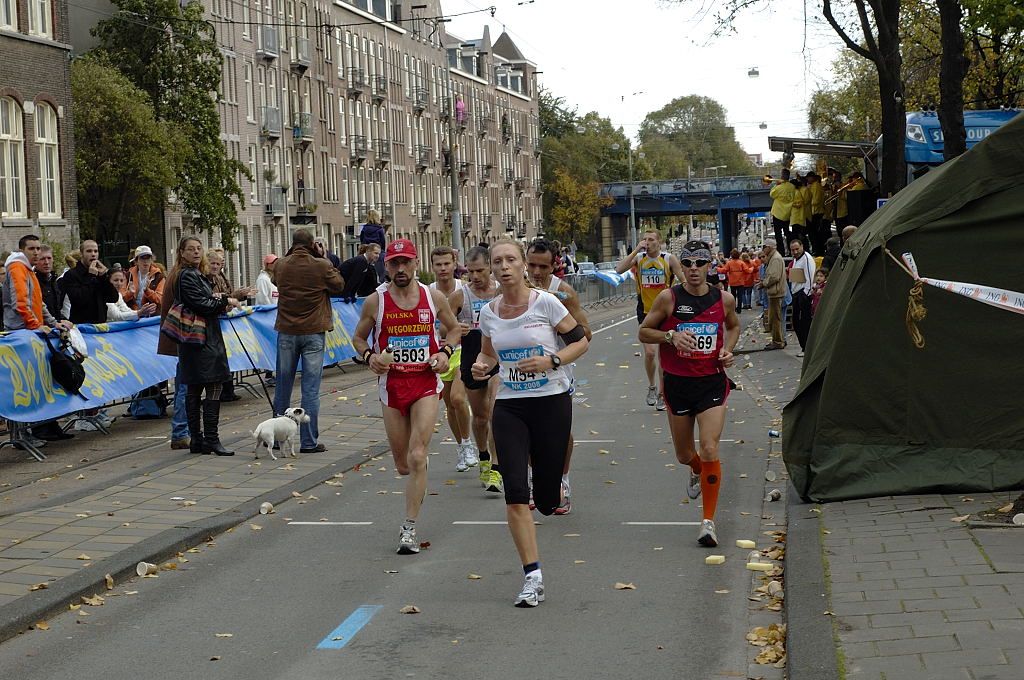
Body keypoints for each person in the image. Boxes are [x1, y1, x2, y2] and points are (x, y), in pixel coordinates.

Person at [471, 239, 590, 607]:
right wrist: (481, 366)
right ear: (492, 269)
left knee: (548, 499)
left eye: (510, 260)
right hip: (510, 407)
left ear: (523, 265)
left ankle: (550, 487)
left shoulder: (547, 303)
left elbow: (581, 342)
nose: (504, 267)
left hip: (552, 403)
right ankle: (532, 576)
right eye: (497, 262)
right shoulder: (488, 313)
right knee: (516, 494)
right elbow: (489, 354)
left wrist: (552, 362)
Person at [352, 238, 460, 555]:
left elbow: (454, 330)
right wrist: (370, 356)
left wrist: (445, 352)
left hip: (425, 381)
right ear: (386, 266)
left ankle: (409, 528)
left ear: (415, 264)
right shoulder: (376, 301)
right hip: (392, 385)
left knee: (417, 456)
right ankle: (412, 492)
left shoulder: (432, 296)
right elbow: (358, 338)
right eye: (394, 263)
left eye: (406, 262)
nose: (400, 269)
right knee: (402, 465)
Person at [638, 240, 739, 548]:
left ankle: (707, 522)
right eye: (688, 263)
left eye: (700, 262)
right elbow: (644, 331)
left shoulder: (724, 299)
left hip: (711, 382)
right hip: (678, 384)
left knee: (709, 448)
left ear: (710, 266)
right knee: (685, 454)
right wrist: (670, 336)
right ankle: (696, 470)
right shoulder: (669, 299)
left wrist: (727, 350)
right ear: (680, 266)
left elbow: (733, 327)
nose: (694, 268)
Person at [526, 239, 593, 515]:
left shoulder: (563, 292)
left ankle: (562, 481)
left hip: (558, 370)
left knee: (559, 431)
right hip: (523, 370)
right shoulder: (514, 290)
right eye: (531, 265)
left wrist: (557, 324)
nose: (537, 272)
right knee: (527, 431)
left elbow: (585, 333)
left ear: (555, 265)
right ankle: (536, 481)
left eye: (543, 266)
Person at [162, 236, 240, 455]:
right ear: (181, 252)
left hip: (198, 340)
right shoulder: (187, 275)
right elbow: (202, 304)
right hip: (200, 340)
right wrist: (224, 301)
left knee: (195, 389)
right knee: (211, 386)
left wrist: (218, 300)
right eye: (191, 249)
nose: (196, 252)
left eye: (199, 248)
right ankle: (210, 439)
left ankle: (198, 440)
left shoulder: (195, 275)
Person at [272, 229, 345, 454]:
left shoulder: (281, 265)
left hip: (287, 331)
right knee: (310, 389)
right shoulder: (321, 266)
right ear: (313, 244)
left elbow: (276, 280)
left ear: (292, 244)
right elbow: (339, 285)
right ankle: (308, 442)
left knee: (283, 386)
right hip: (313, 331)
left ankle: (276, 438)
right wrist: (322, 257)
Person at [3, 236, 74, 445]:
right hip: (19, 334)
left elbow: (38, 303)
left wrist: (53, 322)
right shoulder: (17, 268)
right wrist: (36, 325)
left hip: (29, 333)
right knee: (22, 385)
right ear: (22, 250)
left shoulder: (28, 270)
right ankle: (20, 436)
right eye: (31, 249)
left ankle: (32, 431)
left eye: (37, 248)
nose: (36, 252)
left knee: (33, 383)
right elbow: (20, 303)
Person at [449, 245, 504, 494]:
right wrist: (454, 329)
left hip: (497, 356)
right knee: (480, 417)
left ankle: (495, 467)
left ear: (490, 267)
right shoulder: (460, 296)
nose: (475, 276)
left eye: (480, 270)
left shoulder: (501, 291)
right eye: (470, 271)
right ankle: (483, 456)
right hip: (472, 356)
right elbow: (443, 330)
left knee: (494, 413)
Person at [614, 229, 684, 411]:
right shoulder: (639, 259)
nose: (647, 242)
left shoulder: (669, 259)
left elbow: (683, 281)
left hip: (665, 311)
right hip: (645, 311)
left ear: (659, 242)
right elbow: (619, 269)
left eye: (651, 239)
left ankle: (662, 393)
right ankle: (652, 387)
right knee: (651, 353)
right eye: (645, 239)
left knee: (664, 355)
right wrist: (636, 249)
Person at [428, 246, 476, 472]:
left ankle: (468, 444)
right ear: (432, 267)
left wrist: (464, 329)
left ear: (455, 263)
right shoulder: (427, 292)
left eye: (447, 263)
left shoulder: (464, 289)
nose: (443, 268)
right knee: (449, 403)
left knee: (458, 399)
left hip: (462, 351)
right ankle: (462, 447)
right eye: (438, 264)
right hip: (438, 353)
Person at [207, 248, 254, 402]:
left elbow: (225, 297)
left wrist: (236, 297)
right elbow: (215, 301)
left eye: (218, 263)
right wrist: (236, 296)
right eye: (213, 263)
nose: (215, 266)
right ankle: (219, 392)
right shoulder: (206, 279)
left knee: (225, 358)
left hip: (221, 321)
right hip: (211, 325)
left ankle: (225, 390)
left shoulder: (219, 277)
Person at [61, 240, 120, 325]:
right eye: (89, 251)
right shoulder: (71, 274)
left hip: (101, 325)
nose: (93, 254)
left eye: (95, 251)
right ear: (81, 254)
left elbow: (113, 298)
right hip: (82, 326)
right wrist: (91, 277)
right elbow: (80, 299)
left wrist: (104, 277)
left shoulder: (99, 274)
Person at [788, 239, 816, 357]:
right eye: (792, 250)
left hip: (803, 293)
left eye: (797, 249)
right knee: (797, 321)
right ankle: (804, 346)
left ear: (802, 247)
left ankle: (807, 348)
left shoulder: (807, 259)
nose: (795, 252)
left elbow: (810, 276)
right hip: (796, 292)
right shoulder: (796, 260)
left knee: (803, 322)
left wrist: (806, 293)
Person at [759, 241, 787, 350]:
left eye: (764, 247)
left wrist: (764, 283)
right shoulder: (773, 257)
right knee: (774, 318)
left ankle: (778, 341)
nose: (763, 249)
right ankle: (778, 340)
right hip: (774, 292)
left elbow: (774, 276)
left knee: (775, 318)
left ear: (769, 247)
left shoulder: (775, 258)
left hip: (776, 292)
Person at [126, 245, 165, 313]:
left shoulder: (159, 276)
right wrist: (130, 293)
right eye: (142, 258)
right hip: (132, 316)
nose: (145, 261)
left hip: (152, 317)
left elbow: (161, 299)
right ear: (136, 261)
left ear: (151, 260)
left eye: (148, 258)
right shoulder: (128, 276)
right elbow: (120, 299)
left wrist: (147, 291)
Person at [769, 169, 796, 254]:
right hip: (787, 213)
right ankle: (790, 250)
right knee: (787, 232)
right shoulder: (792, 187)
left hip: (778, 213)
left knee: (778, 234)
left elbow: (772, 194)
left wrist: (776, 185)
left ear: (782, 176)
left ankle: (781, 252)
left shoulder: (779, 187)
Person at [359, 208, 387, 282]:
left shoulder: (364, 229)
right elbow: (383, 243)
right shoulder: (380, 229)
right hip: (378, 253)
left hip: (367, 253)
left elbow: (362, 241)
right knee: (381, 274)